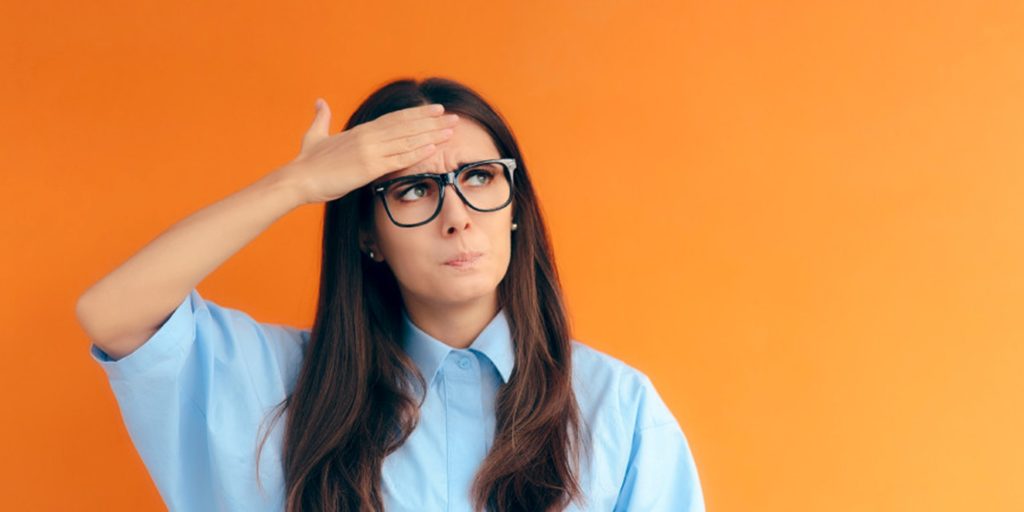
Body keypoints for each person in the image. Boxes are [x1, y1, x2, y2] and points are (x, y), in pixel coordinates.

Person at [77, 77, 705, 511]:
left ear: (515, 208)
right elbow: (111, 313)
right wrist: (297, 184)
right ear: (368, 236)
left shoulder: (616, 407)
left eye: (480, 178)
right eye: (413, 191)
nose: (456, 215)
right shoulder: (277, 384)